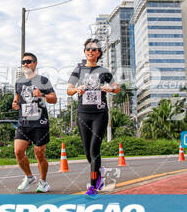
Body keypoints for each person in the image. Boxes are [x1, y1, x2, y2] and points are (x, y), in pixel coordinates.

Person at [67, 39, 119, 198]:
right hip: (83, 113)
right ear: (85, 52)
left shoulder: (104, 70)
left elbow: (117, 88)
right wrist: (77, 89)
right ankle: (100, 171)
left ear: (99, 53)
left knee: (94, 149)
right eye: (88, 49)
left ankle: (93, 187)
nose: (91, 51)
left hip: (100, 113)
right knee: (87, 151)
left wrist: (109, 88)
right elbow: (69, 90)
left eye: (94, 49)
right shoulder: (78, 70)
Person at [12, 52, 57, 193]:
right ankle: (29, 177)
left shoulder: (43, 80)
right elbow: (17, 98)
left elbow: (54, 99)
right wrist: (15, 103)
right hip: (24, 122)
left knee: (39, 154)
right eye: (23, 62)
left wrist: (42, 95)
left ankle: (43, 182)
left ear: (35, 63)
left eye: (29, 61)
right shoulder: (19, 82)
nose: (25, 64)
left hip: (40, 123)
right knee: (18, 152)